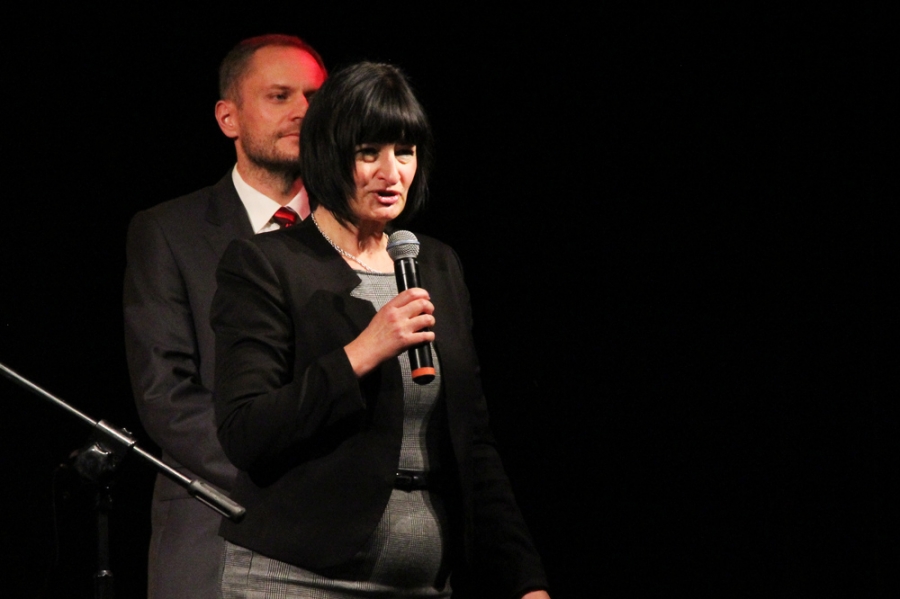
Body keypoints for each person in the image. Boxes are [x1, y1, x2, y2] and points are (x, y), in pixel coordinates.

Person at [211, 62, 551, 598]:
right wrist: (361, 353)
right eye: (369, 152)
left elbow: (473, 442)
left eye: (405, 152)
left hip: (422, 582)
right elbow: (246, 432)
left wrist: (525, 580)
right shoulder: (266, 263)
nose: (391, 173)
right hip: (296, 576)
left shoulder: (436, 264)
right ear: (327, 154)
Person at [122, 34, 327, 599]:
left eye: (315, 97)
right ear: (228, 117)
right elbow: (167, 393)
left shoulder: (359, 231)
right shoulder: (169, 231)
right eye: (280, 96)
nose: (303, 111)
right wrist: (289, 476)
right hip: (218, 526)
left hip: (345, 537)